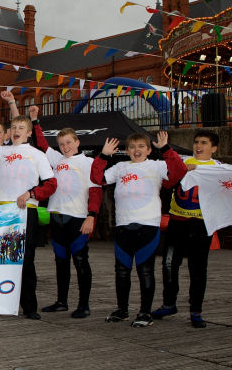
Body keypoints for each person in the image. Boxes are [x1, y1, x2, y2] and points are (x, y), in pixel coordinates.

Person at [0, 98, 57, 320]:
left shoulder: (37, 154)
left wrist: (31, 193)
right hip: (2, 211)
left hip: (26, 211)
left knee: (26, 260)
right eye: (14, 127)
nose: (17, 131)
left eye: (21, 128)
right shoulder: (0, 152)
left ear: (28, 133)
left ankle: (29, 307)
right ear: (9, 132)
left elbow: (51, 183)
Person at [91, 131, 186, 327]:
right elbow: (97, 179)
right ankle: (122, 310)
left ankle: (145, 313)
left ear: (149, 150)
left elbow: (179, 172)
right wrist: (103, 155)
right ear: (127, 151)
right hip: (123, 225)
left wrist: (166, 149)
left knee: (145, 271)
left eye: (141, 147)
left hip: (148, 225)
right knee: (122, 271)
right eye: (132, 147)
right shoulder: (120, 167)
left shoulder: (157, 165)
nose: (136, 150)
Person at [29, 107, 102, 319]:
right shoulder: (57, 159)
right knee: (61, 262)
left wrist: (92, 216)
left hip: (78, 218)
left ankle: (84, 305)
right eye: (61, 144)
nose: (65, 147)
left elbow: (96, 192)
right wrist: (35, 121)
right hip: (57, 216)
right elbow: (42, 144)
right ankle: (61, 301)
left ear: (78, 142)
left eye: (69, 142)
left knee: (80, 262)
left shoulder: (90, 163)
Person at [152, 130, 220, 328]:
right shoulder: (182, 162)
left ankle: (196, 310)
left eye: (204, 143)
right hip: (177, 221)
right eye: (197, 142)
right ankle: (169, 303)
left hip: (201, 224)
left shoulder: (218, 168)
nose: (199, 146)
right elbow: (166, 182)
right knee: (169, 263)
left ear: (213, 148)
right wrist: (181, 170)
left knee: (198, 268)